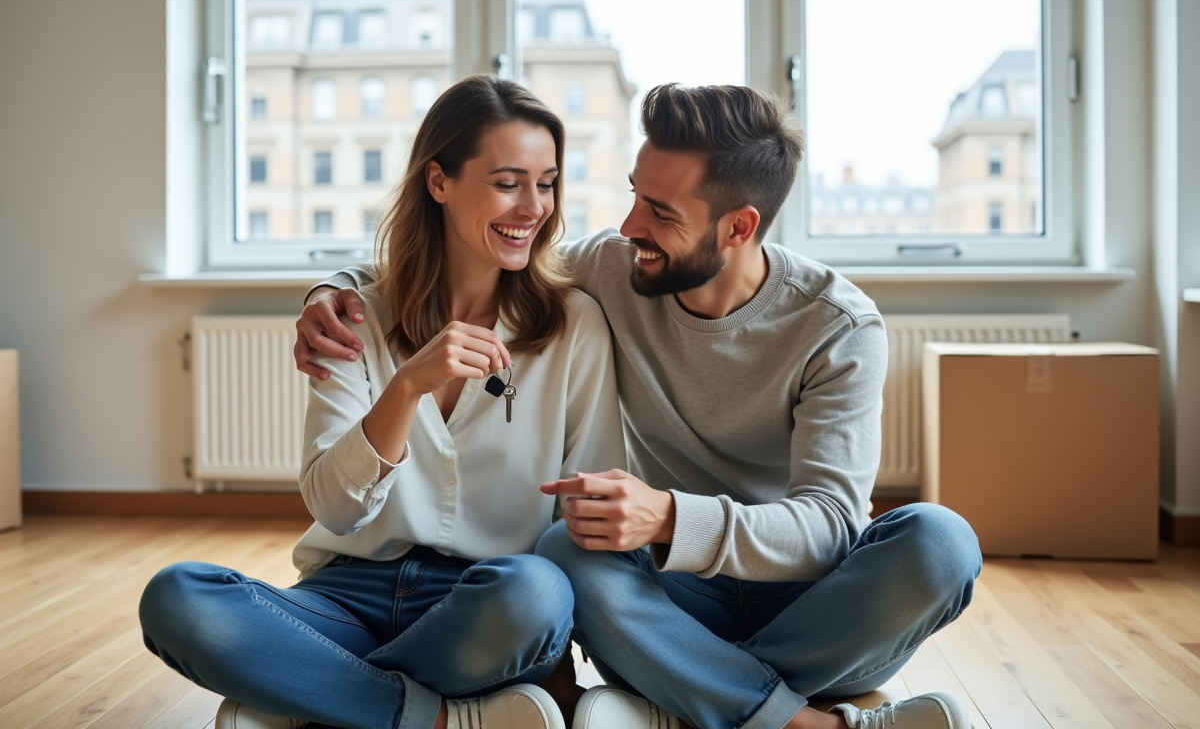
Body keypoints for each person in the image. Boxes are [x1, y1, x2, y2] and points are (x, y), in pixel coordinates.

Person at [296, 83, 982, 729]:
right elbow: (478, 245)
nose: (630, 225)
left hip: (806, 600)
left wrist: (671, 516)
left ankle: (688, 693)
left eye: (661, 212)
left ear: (738, 227)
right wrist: (334, 291)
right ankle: (782, 714)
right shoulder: (615, 268)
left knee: (941, 543)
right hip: (666, 593)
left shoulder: (837, 327)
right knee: (566, 547)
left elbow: (830, 527)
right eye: (635, 196)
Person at [139, 75, 625, 729]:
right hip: (348, 595)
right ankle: (431, 718)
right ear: (439, 181)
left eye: (547, 182)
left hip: (486, 601)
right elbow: (334, 509)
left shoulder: (575, 325)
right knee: (178, 600)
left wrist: (564, 650)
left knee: (536, 595)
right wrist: (407, 385)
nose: (533, 207)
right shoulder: (353, 318)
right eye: (509, 182)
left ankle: (322, 693)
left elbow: (582, 516)